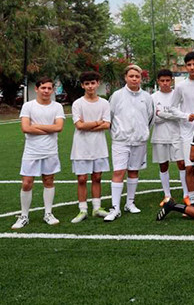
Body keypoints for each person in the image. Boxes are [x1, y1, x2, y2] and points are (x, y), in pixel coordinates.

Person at [12, 77, 66, 229]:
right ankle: (24, 216)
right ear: (37, 89)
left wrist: (36, 126)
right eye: (43, 88)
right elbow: (25, 128)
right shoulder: (28, 106)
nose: (46, 91)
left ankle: (48, 213)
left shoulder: (57, 107)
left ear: (52, 90)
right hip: (31, 151)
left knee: (48, 181)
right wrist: (48, 128)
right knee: (26, 183)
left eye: (49, 88)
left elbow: (59, 127)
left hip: (50, 150)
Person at [105, 65, 154, 222]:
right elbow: (109, 117)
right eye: (131, 76)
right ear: (125, 78)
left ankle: (130, 203)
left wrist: (142, 133)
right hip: (121, 141)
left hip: (139, 141)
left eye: (137, 76)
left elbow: (150, 118)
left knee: (133, 171)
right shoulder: (117, 95)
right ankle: (115, 208)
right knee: (119, 172)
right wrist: (117, 134)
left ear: (141, 78)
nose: (134, 79)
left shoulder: (147, 97)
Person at [68, 71, 111, 223]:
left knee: (97, 177)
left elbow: (107, 124)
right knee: (82, 178)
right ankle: (83, 209)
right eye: (87, 84)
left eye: (93, 83)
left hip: (99, 146)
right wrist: (97, 122)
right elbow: (79, 126)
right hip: (81, 146)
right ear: (82, 85)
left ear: (98, 83)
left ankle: (97, 208)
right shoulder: (77, 103)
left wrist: (88, 125)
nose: (90, 86)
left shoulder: (104, 103)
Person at [170, 51, 194, 206]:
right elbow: (172, 108)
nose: (192, 67)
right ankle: (192, 199)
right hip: (187, 132)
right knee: (190, 167)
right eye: (189, 65)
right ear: (185, 67)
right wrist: (185, 116)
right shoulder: (181, 86)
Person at [151, 69, 188, 207]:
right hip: (159, 136)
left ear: (172, 80)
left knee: (182, 164)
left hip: (177, 135)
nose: (165, 83)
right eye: (162, 81)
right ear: (158, 81)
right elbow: (153, 118)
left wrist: (162, 114)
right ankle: (167, 195)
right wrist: (172, 115)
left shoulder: (177, 95)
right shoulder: (153, 97)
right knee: (163, 165)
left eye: (167, 80)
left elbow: (181, 115)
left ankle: (186, 194)